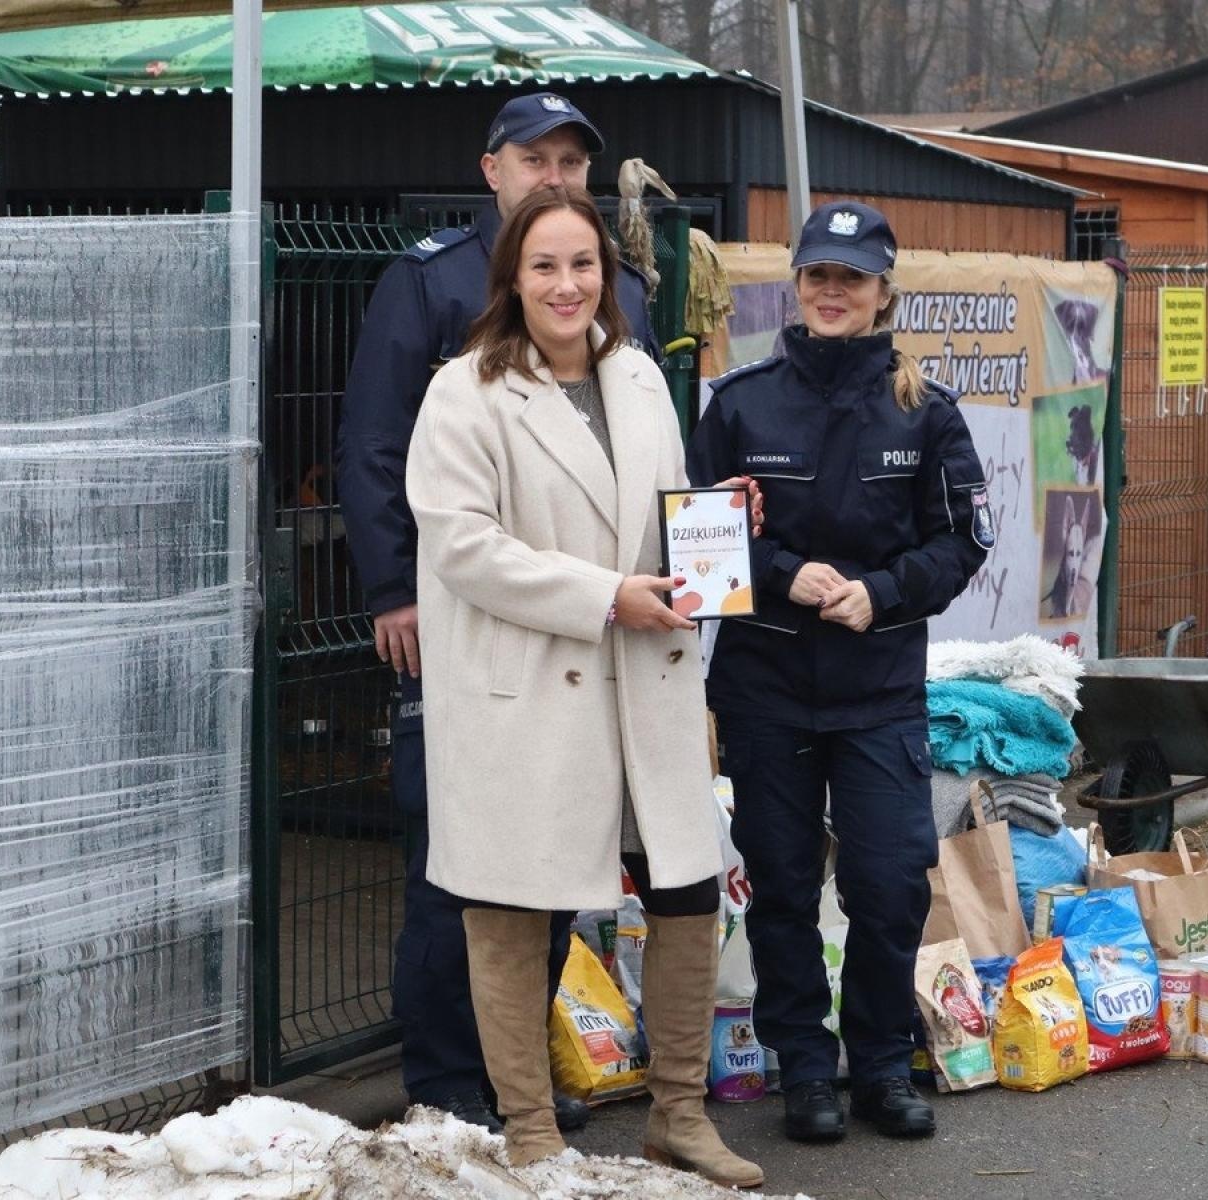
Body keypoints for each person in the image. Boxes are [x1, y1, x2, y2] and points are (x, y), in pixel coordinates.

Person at [403, 185, 763, 1187]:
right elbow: (466, 548)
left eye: (584, 265)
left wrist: (716, 523)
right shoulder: (463, 392)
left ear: (609, 275)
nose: (567, 285)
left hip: (642, 680)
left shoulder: (639, 377)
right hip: (529, 689)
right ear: (511, 280)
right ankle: (529, 1135)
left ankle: (679, 1119)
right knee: (511, 912)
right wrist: (609, 595)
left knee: (689, 891)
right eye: (545, 266)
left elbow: (647, 525)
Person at [335, 92, 658, 1133]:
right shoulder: (430, 282)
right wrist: (392, 586)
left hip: (591, 629)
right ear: (492, 171)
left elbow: (643, 456)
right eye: (536, 159)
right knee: (461, 863)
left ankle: (512, 1074)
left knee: (561, 858)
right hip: (470, 620)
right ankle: (443, 1083)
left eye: (573, 160)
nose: (556, 176)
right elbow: (377, 445)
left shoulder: (623, 294)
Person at [687, 201, 992, 1143]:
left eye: (850, 279)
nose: (831, 293)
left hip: (877, 692)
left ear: (882, 294)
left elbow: (965, 540)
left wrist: (884, 592)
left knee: (890, 879)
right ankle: (806, 1072)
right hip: (767, 689)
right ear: (796, 283)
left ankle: (881, 1064)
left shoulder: (925, 412)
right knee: (778, 883)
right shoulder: (740, 404)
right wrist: (782, 574)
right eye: (818, 275)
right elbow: (695, 544)